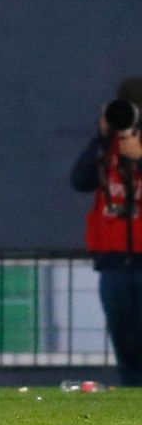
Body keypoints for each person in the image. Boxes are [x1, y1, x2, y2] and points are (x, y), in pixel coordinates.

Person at [71, 77, 142, 386]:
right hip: (113, 256)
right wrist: (100, 137)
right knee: (122, 329)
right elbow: (80, 180)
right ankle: (130, 386)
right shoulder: (107, 143)